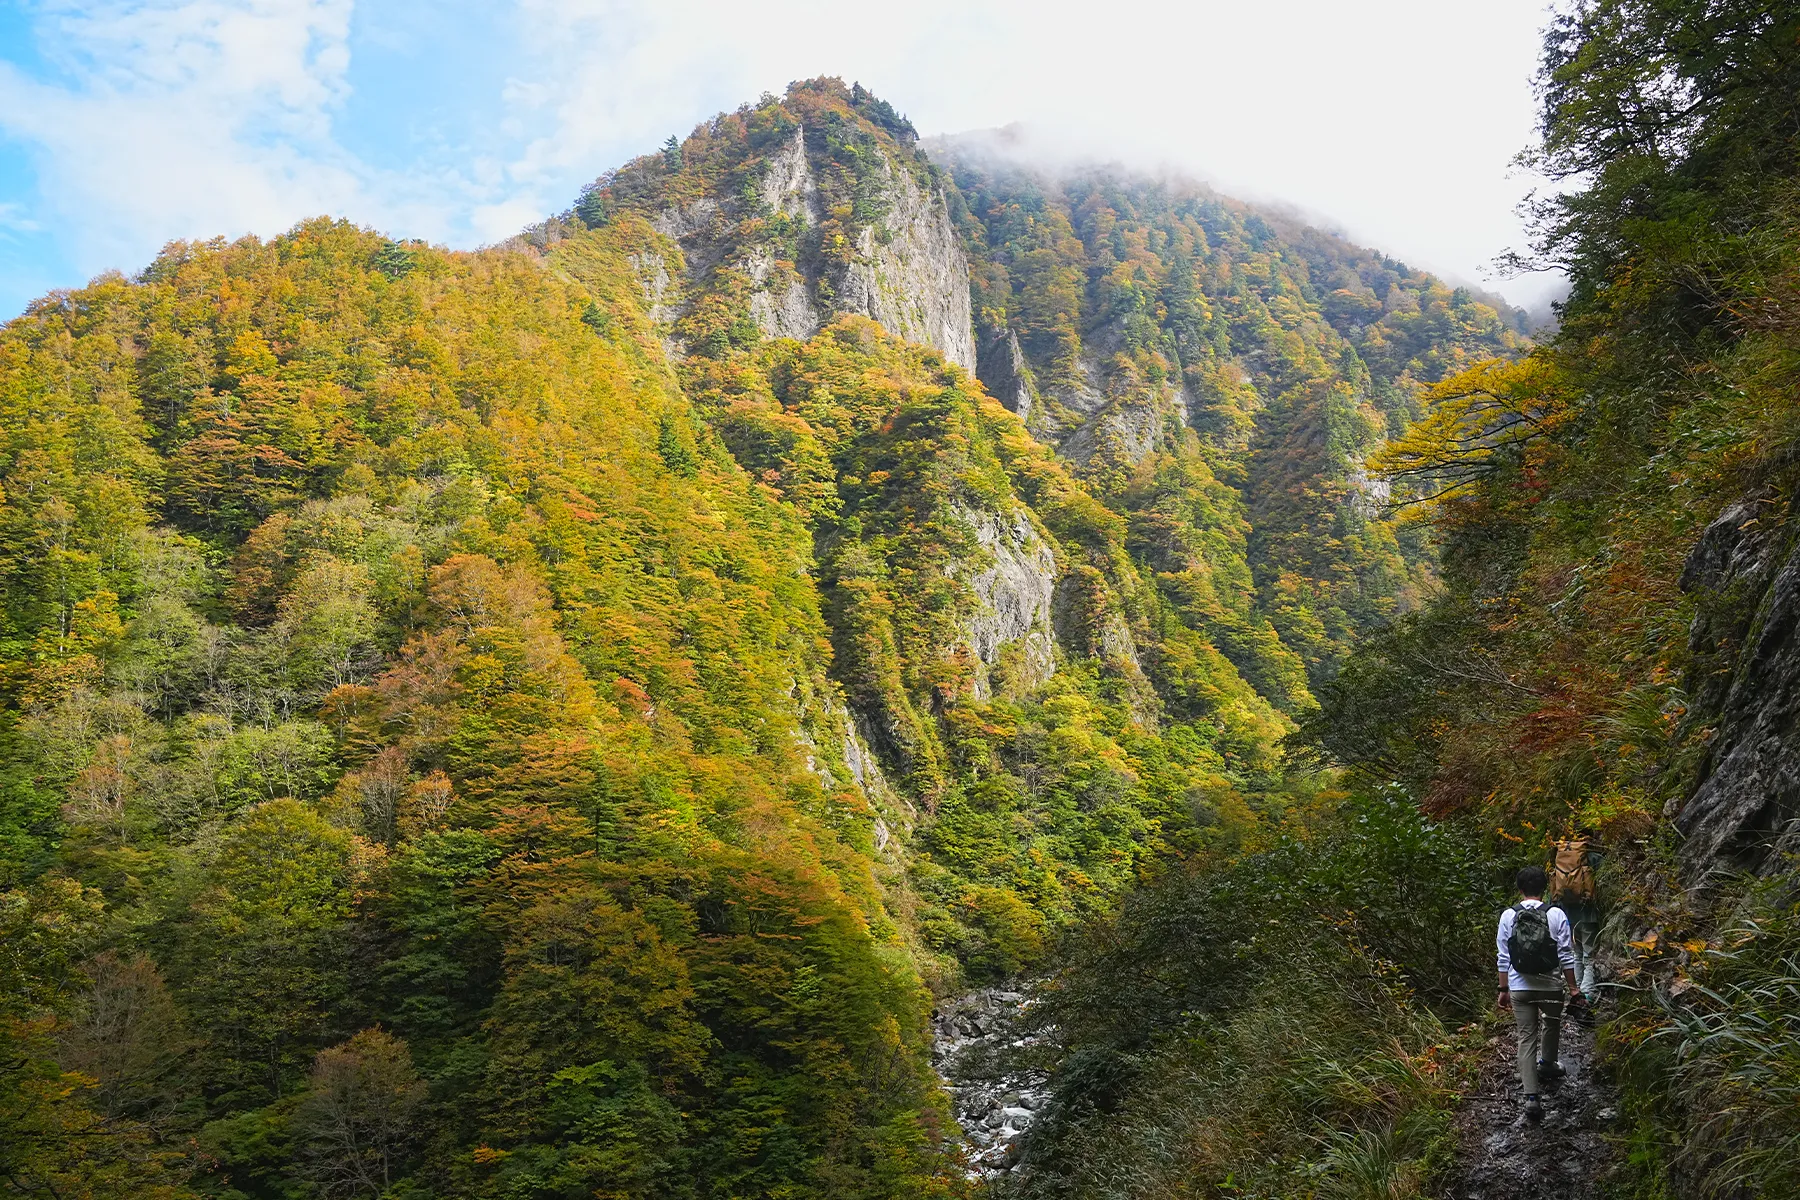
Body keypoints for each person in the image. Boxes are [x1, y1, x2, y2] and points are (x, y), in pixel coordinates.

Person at [1496, 865, 1585, 1123]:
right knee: (1552, 1024)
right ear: (1544, 888)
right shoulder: (1556, 914)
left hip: (1520, 987)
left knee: (1526, 1038)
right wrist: (1573, 989)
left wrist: (1503, 990)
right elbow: (1566, 955)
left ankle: (1531, 1097)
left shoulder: (1507, 916)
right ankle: (1548, 1063)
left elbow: (1503, 957)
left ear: (1520, 889)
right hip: (1551, 987)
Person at [1550, 834, 1603, 1000]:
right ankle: (1587, 995)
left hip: (1568, 916)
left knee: (1576, 954)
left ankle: (1577, 993)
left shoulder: (1560, 859)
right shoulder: (1592, 858)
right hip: (1588, 915)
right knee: (1589, 956)